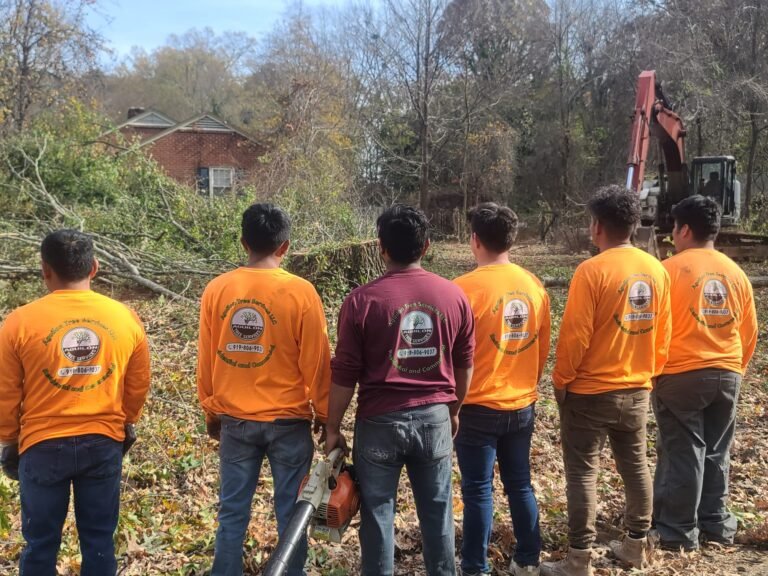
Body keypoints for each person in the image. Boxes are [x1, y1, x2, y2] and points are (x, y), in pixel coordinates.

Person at [325, 204, 475, 576]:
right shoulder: (454, 296)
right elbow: (465, 363)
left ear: (381, 247)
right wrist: (454, 410)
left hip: (378, 422)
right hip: (434, 418)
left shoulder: (361, 301)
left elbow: (344, 372)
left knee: (377, 514)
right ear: (426, 246)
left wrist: (332, 427)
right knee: (438, 510)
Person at [0, 229, 151, 576]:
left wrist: (8, 439)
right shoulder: (124, 317)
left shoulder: (19, 322)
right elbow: (138, 382)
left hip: (41, 445)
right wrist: (126, 421)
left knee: (40, 544)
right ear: (94, 267)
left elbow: (6, 391)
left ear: (45, 269)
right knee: (99, 541)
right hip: (103, 441)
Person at [542, 185, 672, 576]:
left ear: (597, 225)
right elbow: (664, 332)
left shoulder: (592, 271)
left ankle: (579, 559)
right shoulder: (657, 269)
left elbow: (575, 336)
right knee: (636, 465)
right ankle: (635, 545)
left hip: (589, 391)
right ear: (633, 224)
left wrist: (562, 379)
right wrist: (651, 373)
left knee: (584, 472)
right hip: (636, 387)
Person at [197, 203, 331, 576]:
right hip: (289, 423)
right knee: (292, 513)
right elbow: (318, 361)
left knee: (232, 512)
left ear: (243, 242)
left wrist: (210, 409)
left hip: (235, 420)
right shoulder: (301, 292)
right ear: (285, 246)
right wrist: (324, 414)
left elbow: (207, 357)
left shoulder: (218, 289)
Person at [652, 195, 757, 551]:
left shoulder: (668, 271)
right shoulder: (736, 273)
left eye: (674, 228)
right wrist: (735, 368)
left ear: (684, 230)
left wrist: (655, 371)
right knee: (716, 450)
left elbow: (654, 328)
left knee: (682, 451)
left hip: (680, 373)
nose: (672, 235)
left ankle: (677, 530)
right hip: (728, 371)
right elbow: (750, 332)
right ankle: (716, 524)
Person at [453, 203, 550, 576]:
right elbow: (541, 348)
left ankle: (474, 567)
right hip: (521, 403)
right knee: (520, 484)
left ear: (475, 240)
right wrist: (527, 383)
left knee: (478, 490)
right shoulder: (533, 285)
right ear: (512, 239)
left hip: (476, 406)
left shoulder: (462, 289)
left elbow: (451, 356)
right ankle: (528, 559)